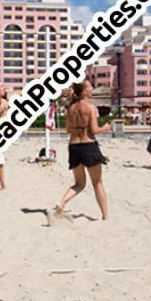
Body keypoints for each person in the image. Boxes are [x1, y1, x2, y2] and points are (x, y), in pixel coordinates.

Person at [49, 79, 112, 222]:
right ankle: (105, 216)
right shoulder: (90, 108)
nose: (92, 88)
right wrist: (106, 128)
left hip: (74, 146)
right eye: (90, 87)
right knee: (97, 183)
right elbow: (94, 130)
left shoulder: (70, 108)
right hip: (88, 145)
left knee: (79, 184)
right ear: (84, 91)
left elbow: (67, 129)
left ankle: (62, 202)